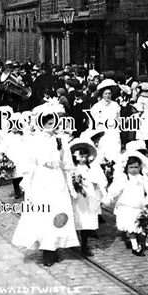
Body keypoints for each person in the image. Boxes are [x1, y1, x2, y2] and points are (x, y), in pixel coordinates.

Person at [12, 100, 80, 267]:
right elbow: (26, 162)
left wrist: (71, 182)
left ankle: (54, 246)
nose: (53, 125)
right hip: (40, 180)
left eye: (55, 121)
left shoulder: (60, 140)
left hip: (57, 180)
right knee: (43, 213)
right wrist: (28, 180)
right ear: (42, 123)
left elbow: (66, 163)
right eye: (49, 122)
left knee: (58, 212)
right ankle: (46, 249)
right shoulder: (33, 140)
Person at [104, 150, 148, 256]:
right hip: (126, 207)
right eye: (131, 167)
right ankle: (135, 246)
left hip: (139, 206)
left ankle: (141, 242)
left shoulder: (143, 178)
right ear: (126, 168)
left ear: (140, 167)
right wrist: (109, 198)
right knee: (131, 227)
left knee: (140, 226)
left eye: (136, 167)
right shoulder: (124, 178)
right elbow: (115, 190)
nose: (134, 170)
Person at [66, 138, 107, 257]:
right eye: (80, 156)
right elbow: (68, 181)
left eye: (85, 156)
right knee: (75, 219)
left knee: (86, 222)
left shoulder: (92, 167)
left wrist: (95, 182)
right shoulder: (71, 169)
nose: (83, 159)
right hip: (76, 198)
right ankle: (72, 241)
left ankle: (85, 244)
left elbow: (101, 180)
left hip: (89, 197)